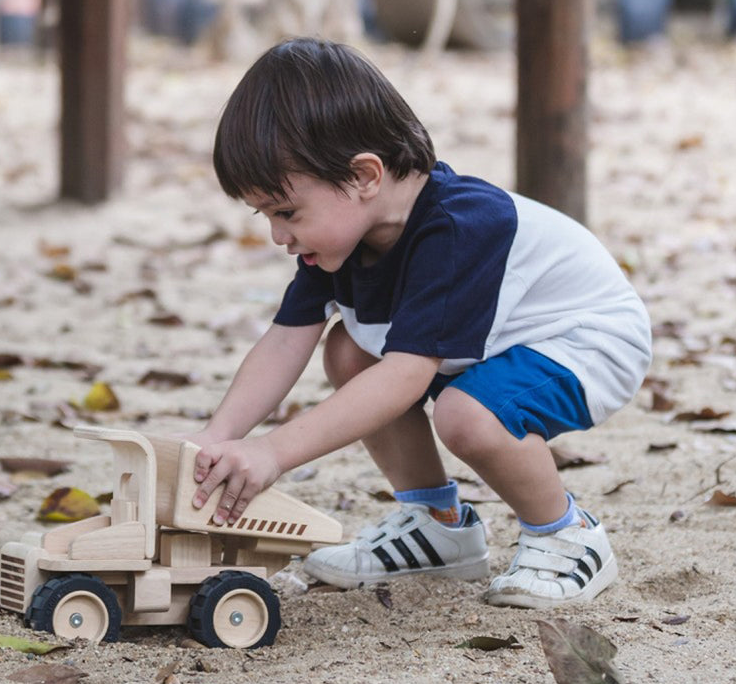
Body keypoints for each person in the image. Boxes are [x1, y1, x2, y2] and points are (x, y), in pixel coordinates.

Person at [188, 37, 651, 609]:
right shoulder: (339, 239)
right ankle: (439, 526)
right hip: (500, 342)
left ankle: (567, 535)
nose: (278, 235)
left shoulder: (457, 229)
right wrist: (217, 437)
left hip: (586, 339)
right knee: (347, 352)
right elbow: (287, 339)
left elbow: (407, 375)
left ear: (363, 176)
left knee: (468, 414)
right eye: (265, 216)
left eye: (286, 212)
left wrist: (274, 452)